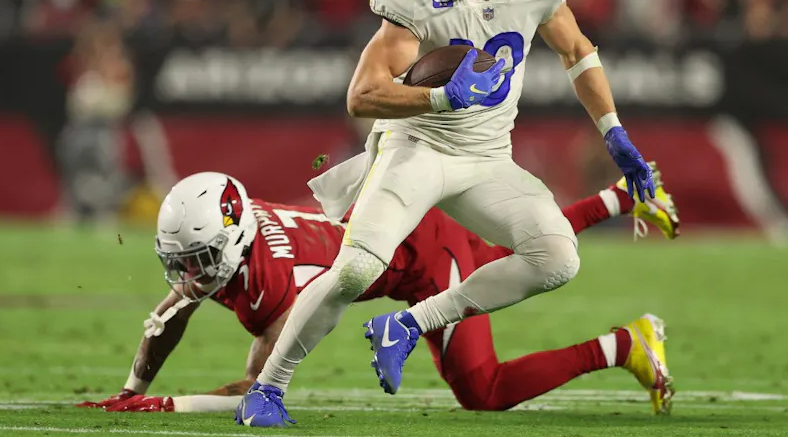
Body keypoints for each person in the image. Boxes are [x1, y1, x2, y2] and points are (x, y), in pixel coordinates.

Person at [241, 0, 659, 427]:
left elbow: (577, 51)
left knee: (557, 258)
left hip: (487, 157)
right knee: (356, 269)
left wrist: (613, 131)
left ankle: (409, 325)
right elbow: (361, 96)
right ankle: (268, 389)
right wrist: (440, 99)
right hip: (416, 146)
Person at [77, 170, 678, 416]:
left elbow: (256, 392)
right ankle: (626, 194)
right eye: (183, 261)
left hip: (422, 258)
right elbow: (174, 308)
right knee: (517, 253)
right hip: (402, 232)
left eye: (200, 260)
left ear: (232, 240)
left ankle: (623, 346)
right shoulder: (240, 224)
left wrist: (166, 404)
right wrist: (133, 389)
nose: (189, 275)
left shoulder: (273, 286)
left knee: (481, 389)